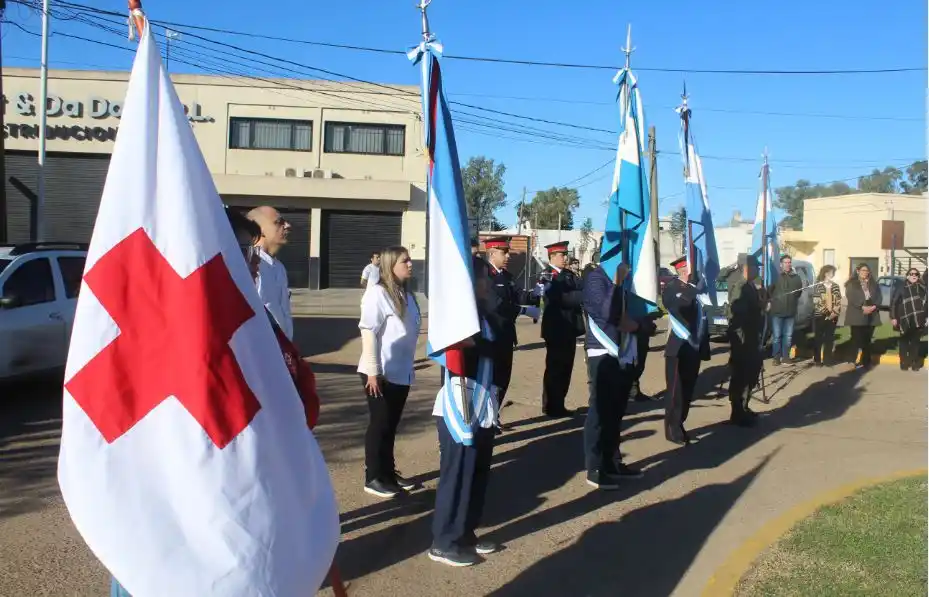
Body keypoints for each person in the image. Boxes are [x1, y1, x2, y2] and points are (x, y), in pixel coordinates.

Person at [429, 257, 501, 567]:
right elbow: (463, 350)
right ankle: (444, 541)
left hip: (482, 402)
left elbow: (493, 343)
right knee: (457, 474)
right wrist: (481, 344)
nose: (489, 284)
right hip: (460, 404)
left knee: (477, 472)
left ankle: (465, 531)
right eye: (484, 278)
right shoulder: (457, 318)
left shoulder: (483, 315)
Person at [357, 246, 422, 498]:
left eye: (410, 260)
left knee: (391, 424)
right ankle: (373, 476)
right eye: (405, 261)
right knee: (380, 424)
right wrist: (373, 372)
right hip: (379, 373)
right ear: (390, 265)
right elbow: (368, 331)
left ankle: (387, 472)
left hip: (401, 371)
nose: (410, 265)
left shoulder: (407, 294)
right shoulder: (378, 294)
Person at [581, 261, 648, 489]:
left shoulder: (623, 278)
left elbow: (632, 313)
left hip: (622, 352)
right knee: (600, 411)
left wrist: (638, 324)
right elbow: (608, 312)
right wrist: (618, 282)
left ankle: (611, 461)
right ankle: (594, 468)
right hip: (603, 351)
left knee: (616, 411)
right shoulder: (595, 279)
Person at [482, 237, 537, 431]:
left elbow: (518, 294)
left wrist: (535, 294)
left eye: (508, 252)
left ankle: (493, 416)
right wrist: (523, 311)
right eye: (503, 252)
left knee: (503, 379)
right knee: (489, 379)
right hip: (490, 337)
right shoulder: (485, 275)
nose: (507, 256)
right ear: (491, 253)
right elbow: (495, 304)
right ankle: (486, 419)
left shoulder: (506, 276)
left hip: (505, 336)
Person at [662, 256, 711, 445]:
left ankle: (680, 423)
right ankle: (672, 429)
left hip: (693, 348)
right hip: (677, 349)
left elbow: (702, 319)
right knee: (676, 392)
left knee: (689, 390)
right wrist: (693, 290)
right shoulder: (672, 288)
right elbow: (678, 306)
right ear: (683, 269)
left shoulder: (695, 290)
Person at [540, 241, 585, 418]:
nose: (565, 258)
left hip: (570, 328)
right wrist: (582, 296)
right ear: (552, 256)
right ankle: (550, 405)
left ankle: (560, 403)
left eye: (566, 254)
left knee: (566, 367)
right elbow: (561, 298)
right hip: (556, 328)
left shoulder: (568, 274)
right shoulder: (547, 275)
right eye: (562, 255)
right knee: (555, 368)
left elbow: (583, 287)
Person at [727, 254, 764, 426]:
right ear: (748, 268)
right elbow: (738, 316)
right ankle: (738, 412)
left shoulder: (750, 286)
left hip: (751, 339)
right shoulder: (740, 287)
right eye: (756, 267)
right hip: (744, 342)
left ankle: (744, 406)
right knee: (741, 377)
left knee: (751, 374)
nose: (759, 270)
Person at [248, 206, 294, 340]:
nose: (287, 226)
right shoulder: (251, 266)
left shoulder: (279, 267)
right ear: (259, 229)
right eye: (278, 222)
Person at [844, 263, 882, 370]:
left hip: (872, 315)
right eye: (863, 270)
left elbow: (879, 297)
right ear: (858, 271)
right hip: (857, 314)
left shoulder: (874, 284)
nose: (865, 273)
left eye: (867, 271)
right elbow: (851, 296)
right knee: (856, 339)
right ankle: (851, 361)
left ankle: (866, 361)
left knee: (867, 340)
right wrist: (862, 307)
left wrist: (874, 307)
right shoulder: (852, 284)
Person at [766, 255, 802, 366]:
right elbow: (769, 291)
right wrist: (771, 301)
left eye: (789, 262)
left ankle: (786, 357)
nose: (788, 264)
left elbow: (798, 293)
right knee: (777, 336)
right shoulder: (775, 276)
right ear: (781, 264)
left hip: (790, 311)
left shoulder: (796, 277)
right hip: (777, 311)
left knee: (788, 336)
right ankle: (776, 357)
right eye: (785, 262)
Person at [890, 268, 927, 371]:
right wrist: (893, 317)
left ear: (918, 276)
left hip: (918, 319)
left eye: (916, 274)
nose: (914, 276)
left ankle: (914, 362)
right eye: (911, 274)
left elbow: (926, 303)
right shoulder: (901, 287)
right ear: (907, 275)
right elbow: (894, 302)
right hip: (904, 319)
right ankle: (904, 362)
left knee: (915, 342)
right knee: (904, 342)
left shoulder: (922, 287)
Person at [811, 265, 842, 366]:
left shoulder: (836, 286)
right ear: (826, 273)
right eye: (831, 272)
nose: (832, 274)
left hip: (833, 316)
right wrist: (827, 313)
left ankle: (828, 359)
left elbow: (838, 300)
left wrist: (834, 313)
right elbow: (816, 301)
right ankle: (817, 360)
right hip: (820, 316)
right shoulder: (818, 285)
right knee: (818, 338)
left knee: (829, 338)